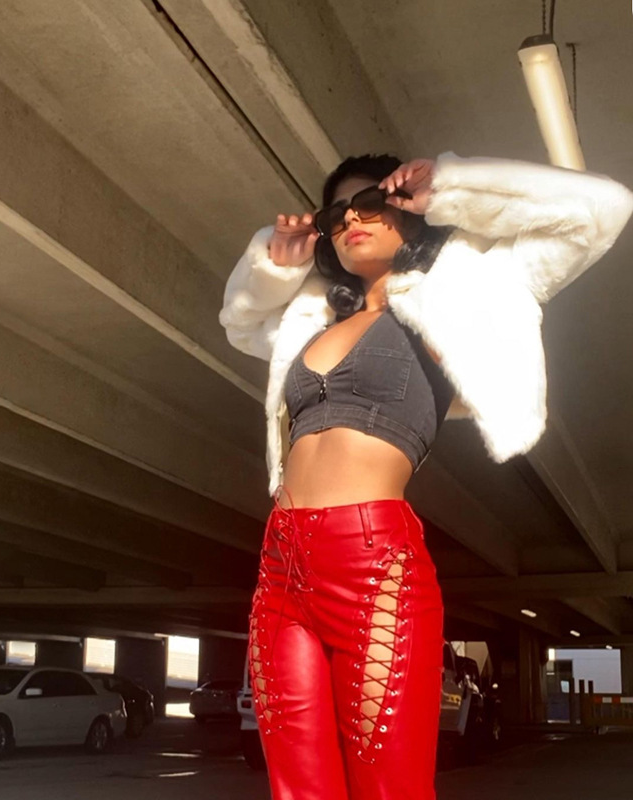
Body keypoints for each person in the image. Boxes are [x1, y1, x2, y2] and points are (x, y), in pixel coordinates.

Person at [219, 151, 633, 800]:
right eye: (336, 214)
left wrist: (449, 184)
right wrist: (276, 264)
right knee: (297, 788)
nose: (352, 220)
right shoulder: (311, 315)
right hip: (281, 567)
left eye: (370, 203)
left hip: (372, 564)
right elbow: (240, 322)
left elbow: (602, 210)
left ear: (408, 207)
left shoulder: (469, 289)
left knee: (390, 786)